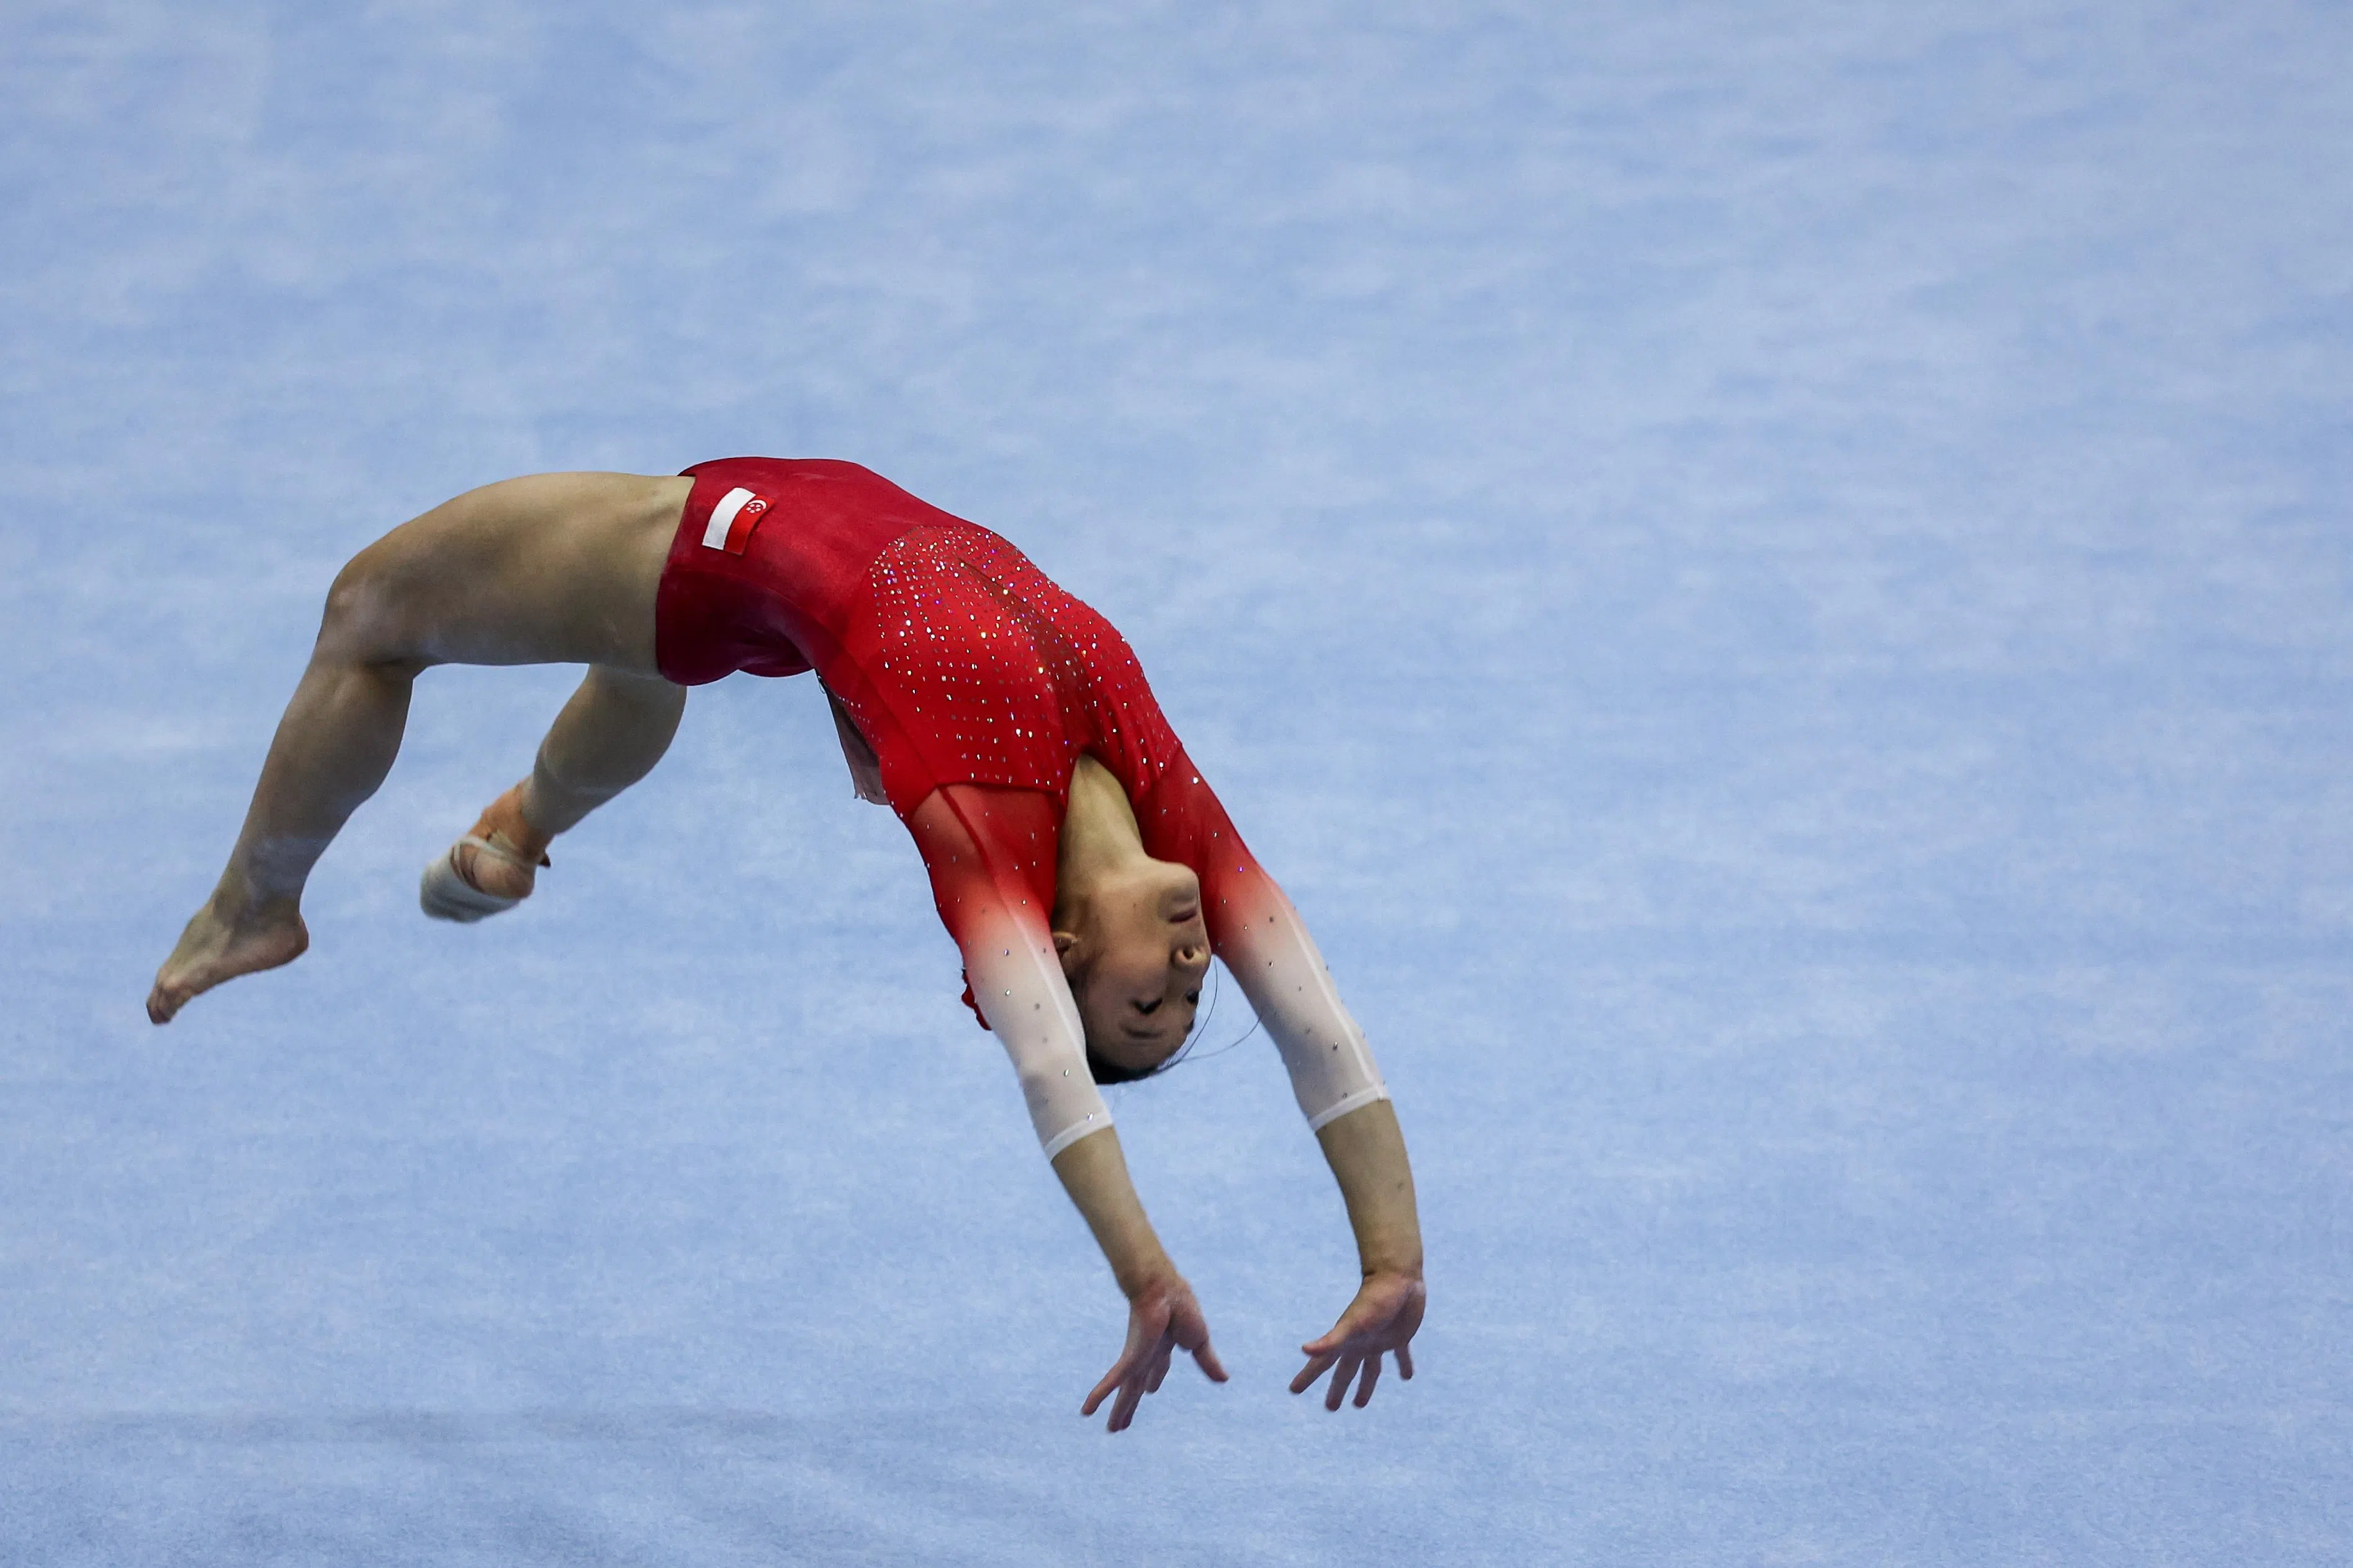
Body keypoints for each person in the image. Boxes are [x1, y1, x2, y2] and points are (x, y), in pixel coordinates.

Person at [147, 459, 1423, 1431]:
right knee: (639, 658)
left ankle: (257, 906)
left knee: (370, 611)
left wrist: (1141, 1273)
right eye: (1194, 999)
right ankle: (523, 830)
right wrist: (1392, 1260)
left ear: (1066, 945)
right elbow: (1319, 1030)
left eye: (1151, 1009)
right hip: (791, 590)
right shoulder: (1172, 814)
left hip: (728, 540)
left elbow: (1049, 1071)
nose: (1196, 975)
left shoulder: (984, 836)